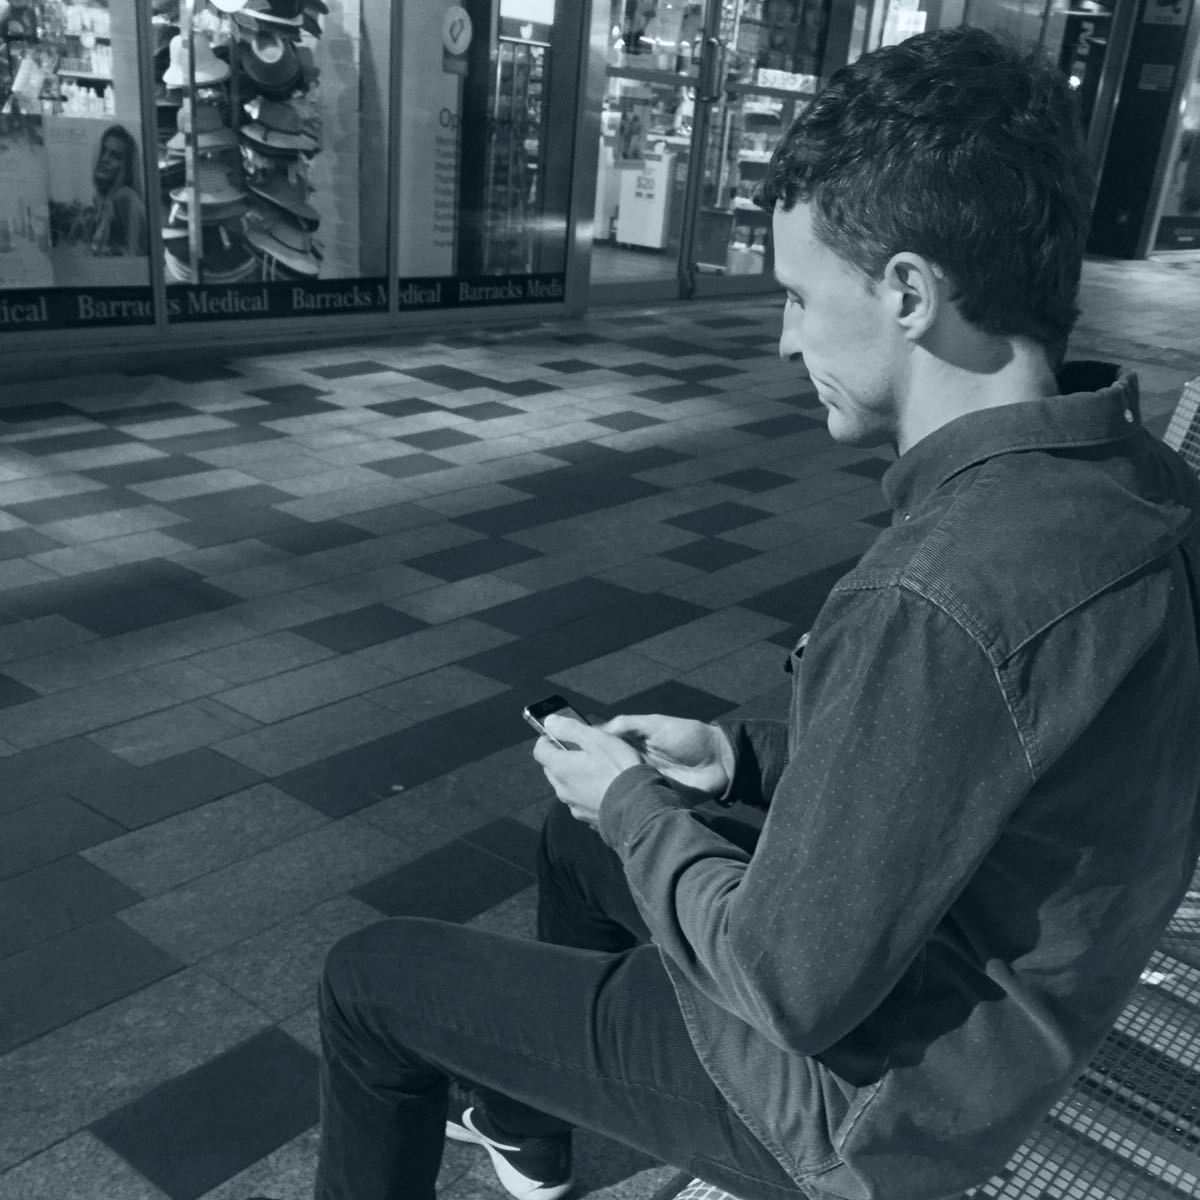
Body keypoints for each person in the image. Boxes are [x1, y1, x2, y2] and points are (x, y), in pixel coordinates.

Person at [295, 27, 1200, 1200]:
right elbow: (973, 758)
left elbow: (788, 984)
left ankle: (522, 1093)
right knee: (579, 839)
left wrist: (632, 805)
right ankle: (526, 1127)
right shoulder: (1137, 484)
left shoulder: (936, 591)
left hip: (861, 1110)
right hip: (992, 1010)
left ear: (910, 293)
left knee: (370, 982)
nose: (782, 340)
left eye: (797, 297)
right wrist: (732, 761)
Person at [68, 124, 147, 257]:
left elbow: (133, 256)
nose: (105, 159)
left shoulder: (125, 197)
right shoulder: (103, 202)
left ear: (126, 167)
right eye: (104, 151)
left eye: (115, 156)